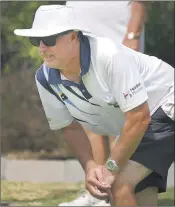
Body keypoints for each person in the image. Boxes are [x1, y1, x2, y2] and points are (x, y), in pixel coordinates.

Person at [14, 5, 174, 207]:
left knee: (118, 184)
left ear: (73, 37)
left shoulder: (109, 56)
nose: (42, 48)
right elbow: (69, 125)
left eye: (49, 39)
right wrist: (90, 166)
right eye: (36, 40)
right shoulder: (45, 77)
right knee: (138, 191)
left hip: (165, 104)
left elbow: (139, 117)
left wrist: (110, 168)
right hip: (146, 120)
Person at [57, 1, 147, 206]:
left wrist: (133, 35)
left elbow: (140, 3)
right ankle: (97, 194)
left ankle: (119, 192)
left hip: (119, 42)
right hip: (81, 44)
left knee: (121, 124)